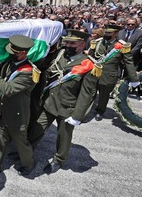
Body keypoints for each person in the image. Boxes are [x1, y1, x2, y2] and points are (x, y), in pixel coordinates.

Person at [28, 29, 98, 174]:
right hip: (50, 102)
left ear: (82, 44)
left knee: (64, 136)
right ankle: (26, 152)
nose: (68, 45)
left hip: (68, 107)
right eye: (66, 42)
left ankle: (59, 159)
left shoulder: (88, 64)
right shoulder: (60, 54)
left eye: (72, 43)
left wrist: (78, 116)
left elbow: (87, 94)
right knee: (37, 128)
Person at [0, 35, 37, 176]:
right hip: (3, 108)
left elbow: (8, 89)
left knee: (20, 142)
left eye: (14, 53)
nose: (10, 54)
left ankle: (29, 164)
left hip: (17, 113)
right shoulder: (10, 63)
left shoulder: (29, 72)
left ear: (23, 53)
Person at [89, 25, 139, 121]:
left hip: (109, 75)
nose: (106, 34)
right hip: (94, 73)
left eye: (109, 33)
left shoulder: (123, 46)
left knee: (104, 96)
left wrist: (134, 78)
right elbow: (90, 57)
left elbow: (128, 62)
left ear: (116, 33)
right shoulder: (97, 42)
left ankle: (100, 110)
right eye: (106, 32)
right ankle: (85, 111)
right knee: (90, 93)